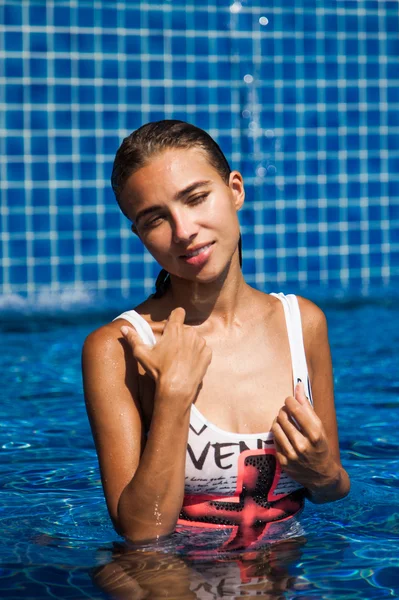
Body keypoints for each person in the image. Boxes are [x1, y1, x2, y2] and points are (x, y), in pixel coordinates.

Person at [82, 120, 350, 551]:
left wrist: (324, 473)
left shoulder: (303, 323)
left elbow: (332, 488)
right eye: (155, 219)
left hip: (284, 570)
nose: (184, 230)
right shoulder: (118, 348)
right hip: (172, 577)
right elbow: (141, 532)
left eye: (196, 198)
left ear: (235, 191)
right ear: (140, 236)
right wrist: (173, 396)